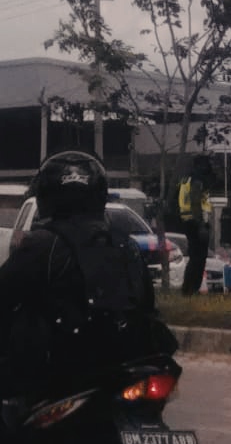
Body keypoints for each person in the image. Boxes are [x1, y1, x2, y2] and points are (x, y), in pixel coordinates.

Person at [0, 152, 175, 421]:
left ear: (46, 196)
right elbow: (147, 304)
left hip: (63, 368)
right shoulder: (124, 244)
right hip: (129, 358)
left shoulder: (41, 245)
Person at [177, 154, 214, 296]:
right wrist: (201, 226)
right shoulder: (197, 179)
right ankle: (191, 289)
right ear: (201, 165)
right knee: (199, 258)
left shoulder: (186, 178)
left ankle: (188, 289)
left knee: (194, 258)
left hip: (188, 221)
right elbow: (195, 202)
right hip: (196, 222)